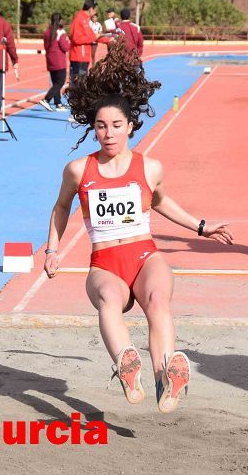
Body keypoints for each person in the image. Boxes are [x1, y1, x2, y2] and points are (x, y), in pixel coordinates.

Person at [43, 43, 234, 411]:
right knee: (109, 301)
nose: (109, 133)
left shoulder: (149, 168)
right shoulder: (79, 171)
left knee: (158, 301)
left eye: (116, 125)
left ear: (130, 126)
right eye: (101, 126)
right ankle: (127, 367)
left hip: (144, 256)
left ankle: (167, 378)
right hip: (104, 263)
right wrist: (51, 249)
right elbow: (61, 206)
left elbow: (160, 201)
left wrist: (201, 226)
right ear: (93, 129)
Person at [42, 12, 70, 111]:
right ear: (60, 21)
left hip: (50, 60)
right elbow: (65, 47)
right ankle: (46, 99)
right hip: (59, 61)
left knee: (55, 82)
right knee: (60, 82)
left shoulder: (47, 32)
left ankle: (58, 103)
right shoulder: (61, 32)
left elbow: (45, 46)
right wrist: (69, 43)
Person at [69, 0, 98, 87]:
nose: (96, 11)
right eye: (95, 9)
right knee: (78, 83)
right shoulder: (79, 19)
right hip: (79, 57)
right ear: (90, 9)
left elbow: (93, 35)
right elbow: (76, 39)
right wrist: (93, 37)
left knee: (81, 82)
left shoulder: (85, 20)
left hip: (83, 57)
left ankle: (78, 100)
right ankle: (75, 100)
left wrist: (109, 40)